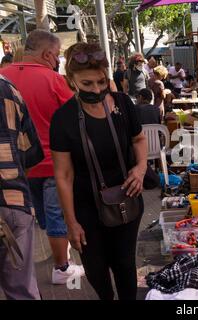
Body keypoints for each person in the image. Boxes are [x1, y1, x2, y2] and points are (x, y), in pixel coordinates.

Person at [50, 42, 148, 300]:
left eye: (101, 82)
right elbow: (63, 175)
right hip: (86, 209)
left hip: (127, 199)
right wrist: (71, 222)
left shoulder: (123, 103)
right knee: (96, 270)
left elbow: (139, 140)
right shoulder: (63, 119)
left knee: (125, 265)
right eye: (87, 84)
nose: (97, 90)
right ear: (71, 80)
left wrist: (139, 168)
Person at [0, 29, 85, 285]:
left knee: (41, 218)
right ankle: (62, 268)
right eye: (57, 55)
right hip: (52, 162)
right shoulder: (53, 79)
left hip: (19, 167)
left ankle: (51, 257)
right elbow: (77, 117)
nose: (57, 59)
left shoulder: (4, 77)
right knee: (56, 215)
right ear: (48, 53)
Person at [0, 75, 44, 299]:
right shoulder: (9, 89)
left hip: (13, 202)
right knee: (22, 290)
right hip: (14, 200)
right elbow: (31, 151)